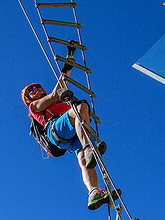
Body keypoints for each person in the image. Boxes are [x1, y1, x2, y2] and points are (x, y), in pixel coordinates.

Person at [23, 75, 115, 210]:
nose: (35, 89)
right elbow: (55, 93)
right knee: (81, 107)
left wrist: (69, 62)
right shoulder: (34, 106)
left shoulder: (61, 102)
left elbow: (63, 82)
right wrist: (66, 67)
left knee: (84, 161)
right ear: (28, 99)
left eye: (37, 87)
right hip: (56, 129)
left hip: (74, 131)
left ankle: (93, 192)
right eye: (30, 90)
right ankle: (88, 147)